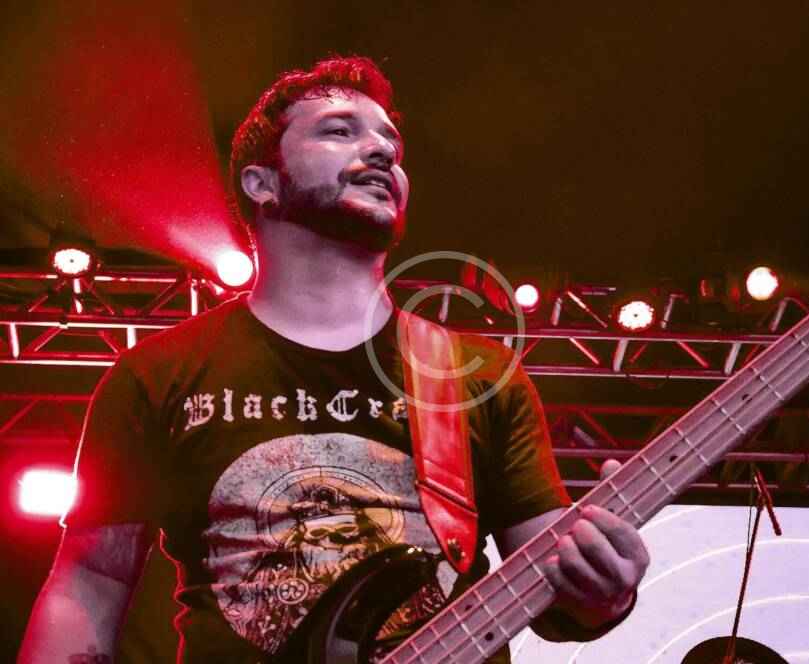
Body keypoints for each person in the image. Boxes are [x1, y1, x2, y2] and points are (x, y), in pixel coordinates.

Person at [18, 56, 649, 663]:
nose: (382, 152)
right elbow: (91, 581)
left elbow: (553, 591)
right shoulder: (158, 375)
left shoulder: (475, 376)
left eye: (392, 143)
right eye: (340, 131)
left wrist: (604, 591)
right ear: (262, 183)